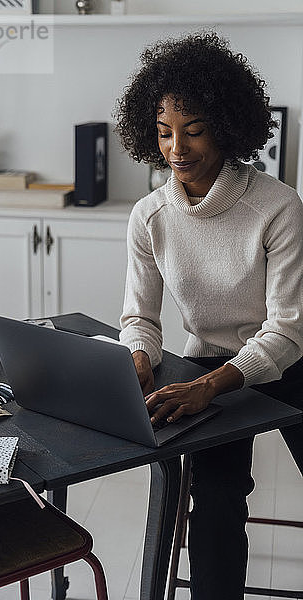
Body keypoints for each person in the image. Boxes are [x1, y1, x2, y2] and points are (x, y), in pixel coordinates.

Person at [115, 31, 303, 600]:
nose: (177, 147)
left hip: (289, 362)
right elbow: (139, 316)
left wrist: (208, 388)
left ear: (226, 126)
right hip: (205, 367)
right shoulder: (150, 217)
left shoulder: (277, 208)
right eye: (165, 131)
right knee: (218, 501)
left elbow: (287, 330)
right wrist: (140, 357)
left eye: (193, 130)